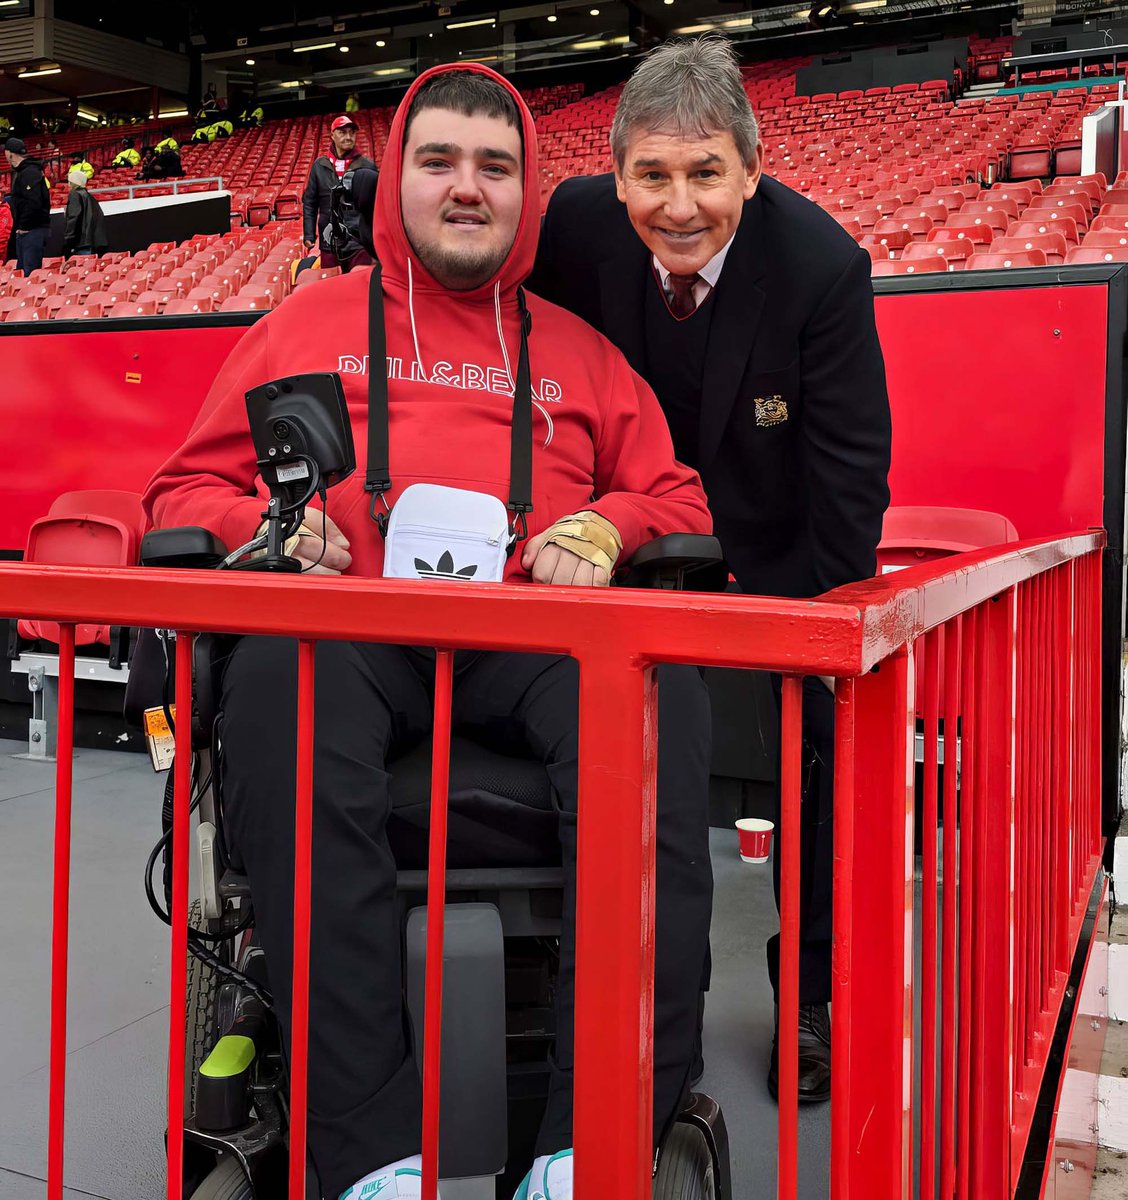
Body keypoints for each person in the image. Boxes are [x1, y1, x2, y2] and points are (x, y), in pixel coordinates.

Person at [144, 63, 714, 1200]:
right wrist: (271, 525)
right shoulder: (303, 322)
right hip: (353, 631)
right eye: (440, 161)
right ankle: (368, 1163)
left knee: (661, 693)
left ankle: (582, 1150)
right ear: (394, 176)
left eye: (494, 167)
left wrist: (605, 521)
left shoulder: (580, 349)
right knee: (277, 687)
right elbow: (176, 499)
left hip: (532, 636)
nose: (467, 188)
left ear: (527, 190)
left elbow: (682, 503)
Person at [529, 34, 892, 1104]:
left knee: (822, 759)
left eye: (704, 174)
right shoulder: (574, 229)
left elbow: (849, 488)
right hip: (622, 559)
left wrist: (793, 638)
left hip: (773, 569)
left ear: (752, 165)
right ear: (617, 172)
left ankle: (813, 997)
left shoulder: (823, 268)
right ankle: (564, 973)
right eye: (652, 174)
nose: (677, 204)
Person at [301, 114, 376, 265]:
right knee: (331, 283)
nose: (348, 137)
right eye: (342, 132)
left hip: (359, 242)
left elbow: (377, 204)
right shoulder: (319, 165)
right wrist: (309, 234)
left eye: (352, 132)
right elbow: (310, 202)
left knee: (359, 283)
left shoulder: (367, 166)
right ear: (332, 135)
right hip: (329, 240)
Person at [3, 137, 50, 275]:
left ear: (10, 153)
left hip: (32, 230)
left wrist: (24, 226)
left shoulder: (29, 172)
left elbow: (34, 202)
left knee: (29, 273)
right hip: (28, 230)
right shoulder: (25, 171)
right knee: (22, 272)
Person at [62, 168, 108, 257]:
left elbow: (74, 217)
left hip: (80, 242)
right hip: (90, 241)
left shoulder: (75, 194)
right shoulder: (89, 197)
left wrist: (68, 239)